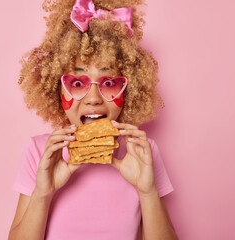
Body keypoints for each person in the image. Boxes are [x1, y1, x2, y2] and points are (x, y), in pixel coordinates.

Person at [9, 0, 178, 239]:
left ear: (129, 90)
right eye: (77, 83)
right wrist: (42, 193)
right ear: (57, 90)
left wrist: (147, 191)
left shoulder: (142, 152)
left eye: (109, 83)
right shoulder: (40, 151)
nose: (93, 99)